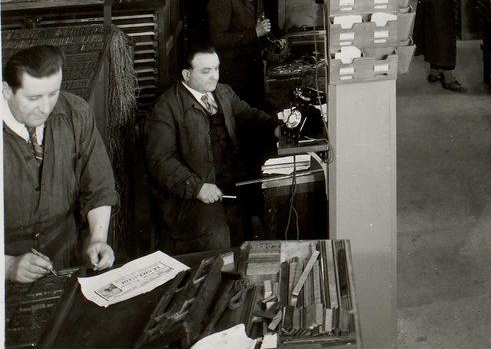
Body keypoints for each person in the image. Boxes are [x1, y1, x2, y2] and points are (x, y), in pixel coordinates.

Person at [144, 44, 291, 254]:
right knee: (217, 238)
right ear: (187, 75)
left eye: (216, 68)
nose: (215, 76)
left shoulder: (223, 92)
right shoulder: (165, 108)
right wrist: (197, 188)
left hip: (230, 180)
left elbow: (247, 114)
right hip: (190, 195)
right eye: (206, 71)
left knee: (276, 204)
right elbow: (161, 161)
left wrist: (273, 127)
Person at [3, 46, 117, 282]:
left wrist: (98, 239)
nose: (46, 108)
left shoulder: (77, 112)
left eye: (53, 93)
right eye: (34, 98)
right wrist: (7, 266)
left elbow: (99, 187)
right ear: (6, 91)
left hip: (65, 259)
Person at [208, 0, 274, 108]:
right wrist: (255, 33)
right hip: (234, 75)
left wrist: (271, 40)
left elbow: (256, 24)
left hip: (253, 69)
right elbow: (218, 39)